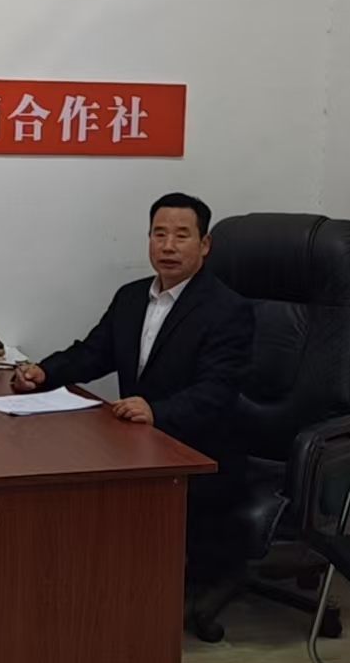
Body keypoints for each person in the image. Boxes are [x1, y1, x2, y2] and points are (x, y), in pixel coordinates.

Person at [13, 193, 254, 555]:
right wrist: (43, 373)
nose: (168, 246)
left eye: (181, 235)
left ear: (204, 245)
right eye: (159, 234)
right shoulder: (131, 297)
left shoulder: (228, 310)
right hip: (137, 446)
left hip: (196, 454)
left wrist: (157, 412)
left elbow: (217, 391)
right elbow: (94, 353)